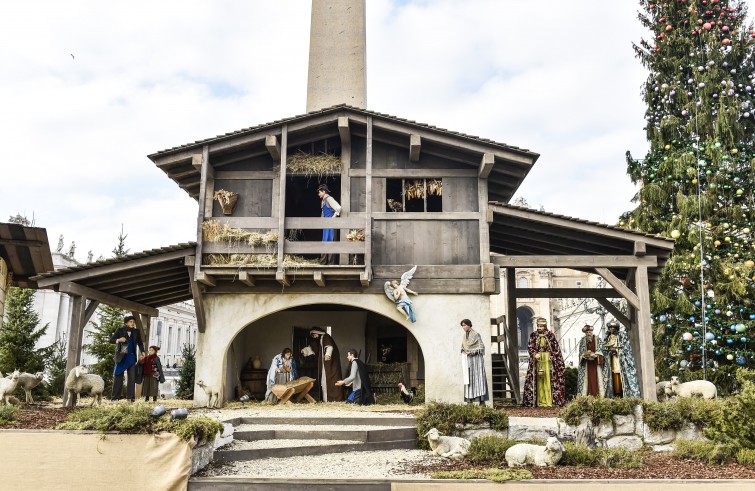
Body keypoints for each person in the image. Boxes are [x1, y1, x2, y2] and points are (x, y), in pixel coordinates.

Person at [523, 317, 566, 407]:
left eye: (541, 326)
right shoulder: (533, 335)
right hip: (537, 361)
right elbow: (530, 346)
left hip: (548, 361)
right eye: (538, 326)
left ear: (545, 326)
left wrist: (552, 356)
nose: (539, 328)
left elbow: (556, 348)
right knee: (538, 380)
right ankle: (538, 401)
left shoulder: (550, 335)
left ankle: (550, 400)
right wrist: (534, 354)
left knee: (549, 379)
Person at [301, 327, 343, 401]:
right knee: (324, 381)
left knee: (330, 381)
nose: (314, 337)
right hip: (325, 365)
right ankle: (326, 399)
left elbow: (329, 347)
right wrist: (305, 351)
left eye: (314, 335)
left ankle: (333, 399)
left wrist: (328, 355)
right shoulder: (320, 340)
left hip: (330, 365)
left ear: (317, 332)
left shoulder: (326, 337)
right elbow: (314, 348)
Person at [109, 315, 145, 401]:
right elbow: (111, 340)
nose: (132, 323)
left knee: (132, 378)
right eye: (131, 322)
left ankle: (131, 398)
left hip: (131, 357)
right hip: (121, 356)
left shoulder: (136, 331)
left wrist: (143, 351)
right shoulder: (120, 330)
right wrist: (118, 340)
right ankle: (115, 398)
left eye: (133, 322)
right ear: (126, 322)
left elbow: (140, 342)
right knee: (118, 376)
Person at [602, 321, 641, 398]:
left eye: (613, 328)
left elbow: (626, 348)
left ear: (616, 328)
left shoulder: (622, 336)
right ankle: (615, 395)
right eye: (610, 328)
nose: (612, 329)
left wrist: (616, 350)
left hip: (620, 361)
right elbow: (604, 348)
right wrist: (609, 351)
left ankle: (624, 395)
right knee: (613, 377)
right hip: (612, 360)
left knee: (621, 376)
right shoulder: (607, 338)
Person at [460, 319, 489, 406]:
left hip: (476, 361)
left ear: (469, 325)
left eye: (464, 325)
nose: (463, 327)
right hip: (468, 360)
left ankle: (481, 401)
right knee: (468, 379)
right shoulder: (464, 336)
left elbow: (481, 348)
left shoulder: (476, 334)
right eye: (462, 326)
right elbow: (462, 347)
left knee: (478, 379)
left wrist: (472, 352)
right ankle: (469, 401)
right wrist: (463, 351)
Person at [577, 325, 607, 398]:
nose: (589, 333)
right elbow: (581, 352)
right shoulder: (582, 341)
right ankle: (586, 397)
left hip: (596, 364)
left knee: (596, 380)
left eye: (590, 332)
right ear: (585, 333)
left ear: (592, 332)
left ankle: (599, 396)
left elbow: (601, 351)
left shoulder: (598, 339)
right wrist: (584, 356)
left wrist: (596, 355)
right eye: (587, 332)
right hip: (587, 364)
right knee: (588, 381)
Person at [317, 184, 341, 265]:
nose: (318, 194)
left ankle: (331, 263)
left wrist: (334, 216)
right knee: (325, 241)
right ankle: (323, 262)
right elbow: (323, 213)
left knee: (330, 240)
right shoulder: (323, 201)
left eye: (319, 192)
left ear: (324, 191)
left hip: (331, 224)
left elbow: (338, 208)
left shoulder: (329, 199)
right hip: (326, 224)